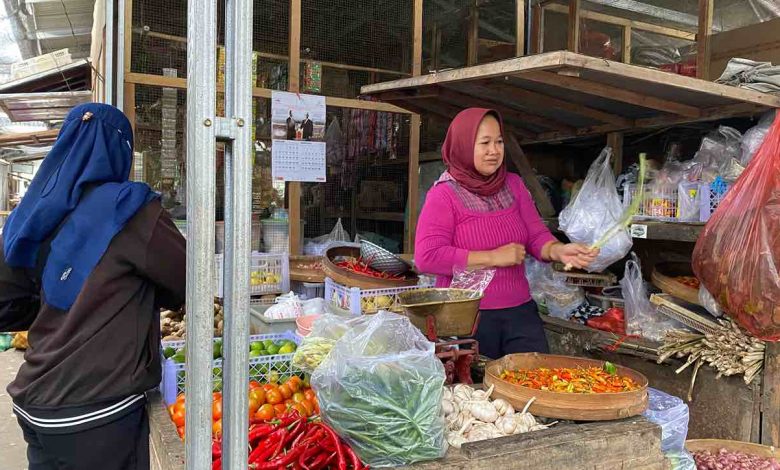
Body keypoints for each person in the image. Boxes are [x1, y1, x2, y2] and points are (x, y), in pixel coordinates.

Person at [0, 103, 186, 470]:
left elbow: (6, 304)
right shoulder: (130, 208)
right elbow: (187, 280)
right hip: (96, 410)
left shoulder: (34, 210)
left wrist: (59, 303)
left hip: (36, 401)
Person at [415, 108, 598, 358]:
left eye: (499, 141)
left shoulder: (513, 184)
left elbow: (535, 235)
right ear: (463, 146)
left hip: (520, 312)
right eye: (485, 143)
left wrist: (559, 250)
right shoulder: (443, 195)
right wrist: (492, 257)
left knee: (535, 382)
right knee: (477, 392)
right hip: (465, 318)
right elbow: (428, 256)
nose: (494, 150)